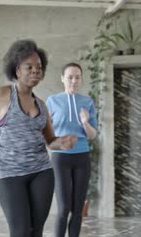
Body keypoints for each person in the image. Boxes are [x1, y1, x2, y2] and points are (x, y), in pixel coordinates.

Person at [0, 39, 77, 237]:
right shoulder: (0, 95)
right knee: (20, 232)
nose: (36, 71)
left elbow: (50, 141)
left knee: (36, 232)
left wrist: (63, 142)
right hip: (9, 174)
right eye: (29, 67)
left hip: (42, 172)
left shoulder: (42, 106)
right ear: (17, 70)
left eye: (39, 67)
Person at [46, 62, 97, 237]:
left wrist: (85, 122)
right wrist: (49, 124)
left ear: (81, 79)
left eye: (77, 77)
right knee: (64, 207)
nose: (74, 81)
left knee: (77, 208)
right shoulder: (52, 101)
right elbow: (45, 133)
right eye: (70, 77)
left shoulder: (87, 102)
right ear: (62, 78)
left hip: (82, 157)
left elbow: (92, 135)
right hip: (60, 157)